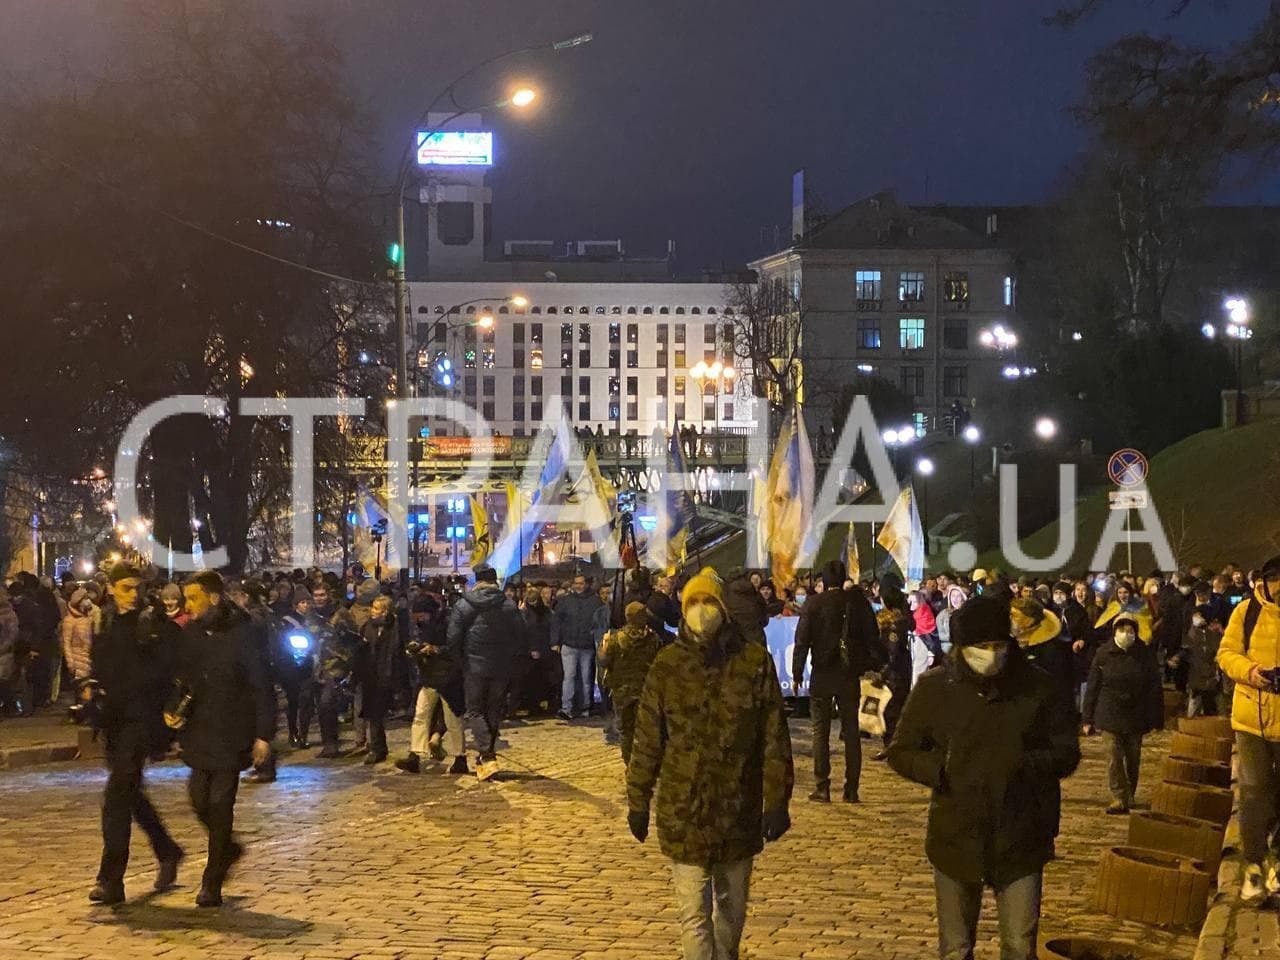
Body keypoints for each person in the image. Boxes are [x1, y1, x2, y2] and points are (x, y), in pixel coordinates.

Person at [887, 595, 1081, 960]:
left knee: (1019, 945)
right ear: (963, 647)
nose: (991, 654)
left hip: (1021, 834)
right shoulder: (935, 687)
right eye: (982, 646)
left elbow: (1066, 752)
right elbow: (901, 751)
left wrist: (1022, 764)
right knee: (956, 948)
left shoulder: (1039, 687)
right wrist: (942, 769)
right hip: (956, 834)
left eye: (998, 645)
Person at [626, 567, 794, 960]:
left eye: (708, 602)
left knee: (732, 911)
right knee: (693, 914)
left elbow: (773, 737)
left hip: (737, 806)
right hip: (684, 808)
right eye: (694, 602)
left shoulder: (753, 662)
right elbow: (647, 739)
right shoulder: (667, 665)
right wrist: (638, 799)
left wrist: (777, 800)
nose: (702, 610)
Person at [86, 563, 184, 906]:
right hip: (114, 720)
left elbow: (169, 671)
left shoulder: (153, 623)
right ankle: (167, 849)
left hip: (142, 722)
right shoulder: (105, 621)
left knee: (116, 796)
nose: (132, 594)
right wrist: (91, 689)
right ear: (112, 588)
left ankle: (111, 879)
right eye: (125, 588)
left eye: (136, 588)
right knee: (130, 792)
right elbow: (100, 665)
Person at [176, 572, 274, 907]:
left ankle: (212, 880)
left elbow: (261, 685)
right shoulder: (191, 633)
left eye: (193, 599)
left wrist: (263, 735)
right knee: (199, 799)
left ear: (213, 598)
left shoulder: (243, 632)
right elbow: (181, 678)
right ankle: (229, 848)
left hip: (232, 731)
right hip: (199, 729)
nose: (188, 606)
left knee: (220, 805)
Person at [1216, 556, 1280, 904]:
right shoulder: (1246, 612)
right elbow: (1226, 653)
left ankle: (1277, 864)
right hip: (1251, 719)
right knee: (1254, 792)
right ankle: (1253, 864)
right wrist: (1252, 672)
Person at [792, 560, 878, 803]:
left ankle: (822, 785)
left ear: (824, 581)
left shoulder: (813, 603)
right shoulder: (856, 603)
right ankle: (851, 788)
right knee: (851, 730)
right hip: (848, 673)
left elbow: (802, 641)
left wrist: (797, 673)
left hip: (822, 672)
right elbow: (872, 636)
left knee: (820, 730)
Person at [447, 565, 527, 781]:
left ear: (477, 581)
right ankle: (486, 758)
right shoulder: (508, 605)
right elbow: (520, 636)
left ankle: (487, 755)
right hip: (502, 666)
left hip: (473, 665)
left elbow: (453, 638)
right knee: (493, 709)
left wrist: (460, 662)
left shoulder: (464, 605)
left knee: (475, 710)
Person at [1082, 614, 1163, 814]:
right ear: (1114, 632)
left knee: (1133, 758)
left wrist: (1156, 717)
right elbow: (1093, 686)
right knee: (1114, 757)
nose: (1126, 634)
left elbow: (1154, 688)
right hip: (1109, 712)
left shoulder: (1144, 654)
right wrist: (1087, 718)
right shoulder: (1103, 654)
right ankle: (1119, 796)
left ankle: (1130, 793)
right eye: (1121, 630)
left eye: (1130, 630)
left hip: (1136, 714)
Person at [397, 592, 467, 775]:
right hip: (429, 677)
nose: (418, 619)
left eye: (421, 615)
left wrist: (435, 649)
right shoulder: (422, 626)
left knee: (452, 720)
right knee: (420, 715)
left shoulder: (448, 623)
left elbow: (456, 648)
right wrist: (416, 648)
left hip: (448, 678)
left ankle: (460, 757)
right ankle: (415, 755)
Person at [599, 601, 662, 765]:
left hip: (622, 692)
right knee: (645, 729)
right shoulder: (653, 638)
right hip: (645, 689)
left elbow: (604, 661)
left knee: (626, 730)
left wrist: (603, 646)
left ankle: (630, 763)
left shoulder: (617, 639)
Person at [355, 594, 402, 764]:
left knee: (378, 712)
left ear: (385, 611)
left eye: (376, 608)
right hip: (371, 675)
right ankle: (377, 747)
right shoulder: (368, 626)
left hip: (386, 674)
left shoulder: (395, 627)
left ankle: (378, 747)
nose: (372, 611)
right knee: (373, 713)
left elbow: (396, 652)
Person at [551, 573, 603, 721]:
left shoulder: (595, 601)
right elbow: (557, 622)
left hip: (586, 645)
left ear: (586, 584)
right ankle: (567, 707)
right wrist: (555, 641)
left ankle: (585, 706)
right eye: (576, 583)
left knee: (586, 677)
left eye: (581, 583)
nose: (578, 586)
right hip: (569, 644)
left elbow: (600, 622)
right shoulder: (566, 601)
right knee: (569, 677)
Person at [60, 587, 97, 687]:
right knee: (82, 689)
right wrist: (70, 662)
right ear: (79, 601)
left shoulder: (88, 619)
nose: (89, 601)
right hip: (77, 661)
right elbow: (66, 642)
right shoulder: (69, 620)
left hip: (88, 659)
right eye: (86, 598)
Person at [0, 586, 19, 716]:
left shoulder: (8, 614)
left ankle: (10, 707)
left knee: (3, 680)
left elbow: (12, 634)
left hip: (4, 652)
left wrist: (3, 648)